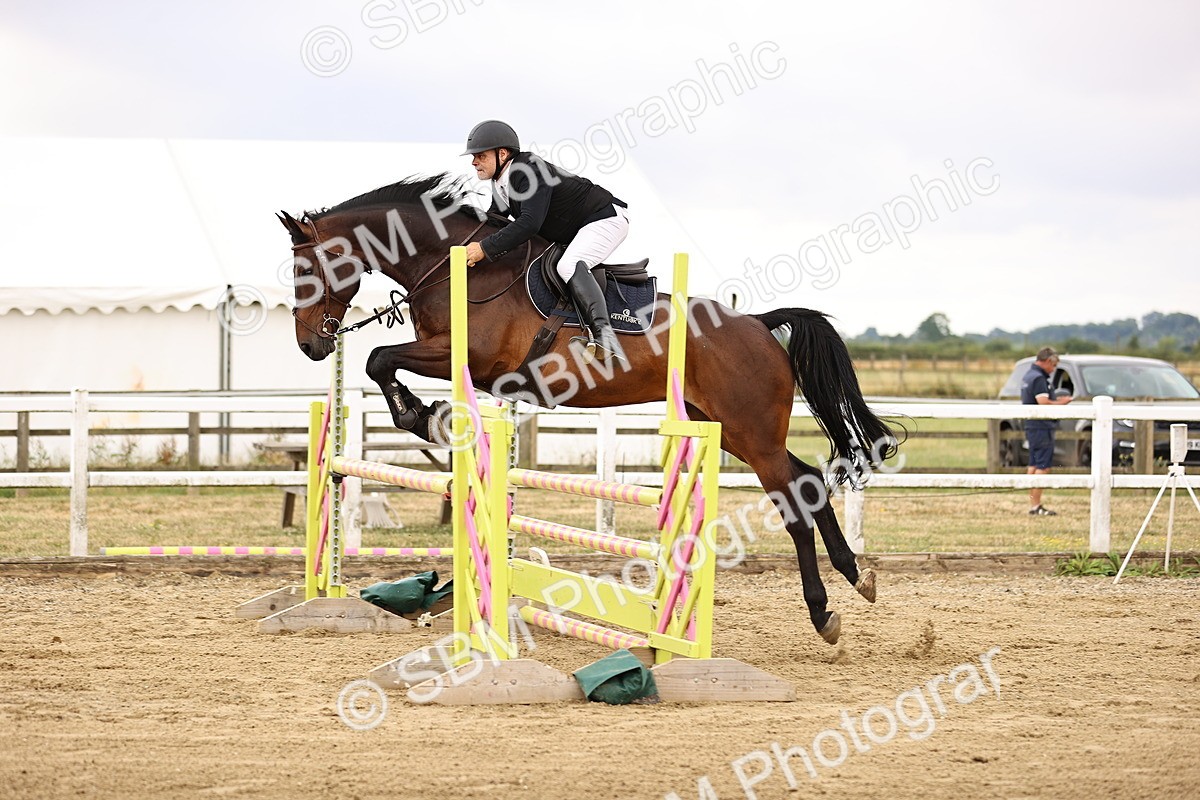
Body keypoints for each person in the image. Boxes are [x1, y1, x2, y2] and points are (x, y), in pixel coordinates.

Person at [461, 120, 628, 363]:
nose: (474, 162)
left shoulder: (528, 169)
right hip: (578, 227)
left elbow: (530, 223)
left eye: (480, 156)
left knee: (568, 265)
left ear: (502, 154)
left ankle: (605, 337)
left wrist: (485, 249)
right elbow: (494, 222)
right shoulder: (502, 181)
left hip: (605, 218)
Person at [1021, 346, 1073, 516]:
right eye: (1054, 365)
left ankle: (1033, 504)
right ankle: (1035, 505)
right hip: (1042, 426)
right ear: (1048, 361)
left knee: (1033, 464)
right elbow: (1043, 402)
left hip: (1032, 425)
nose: (1053, 369)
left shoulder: (1028, 375)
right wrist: (1061, 403)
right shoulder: (1039, 378)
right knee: (1042, 466)